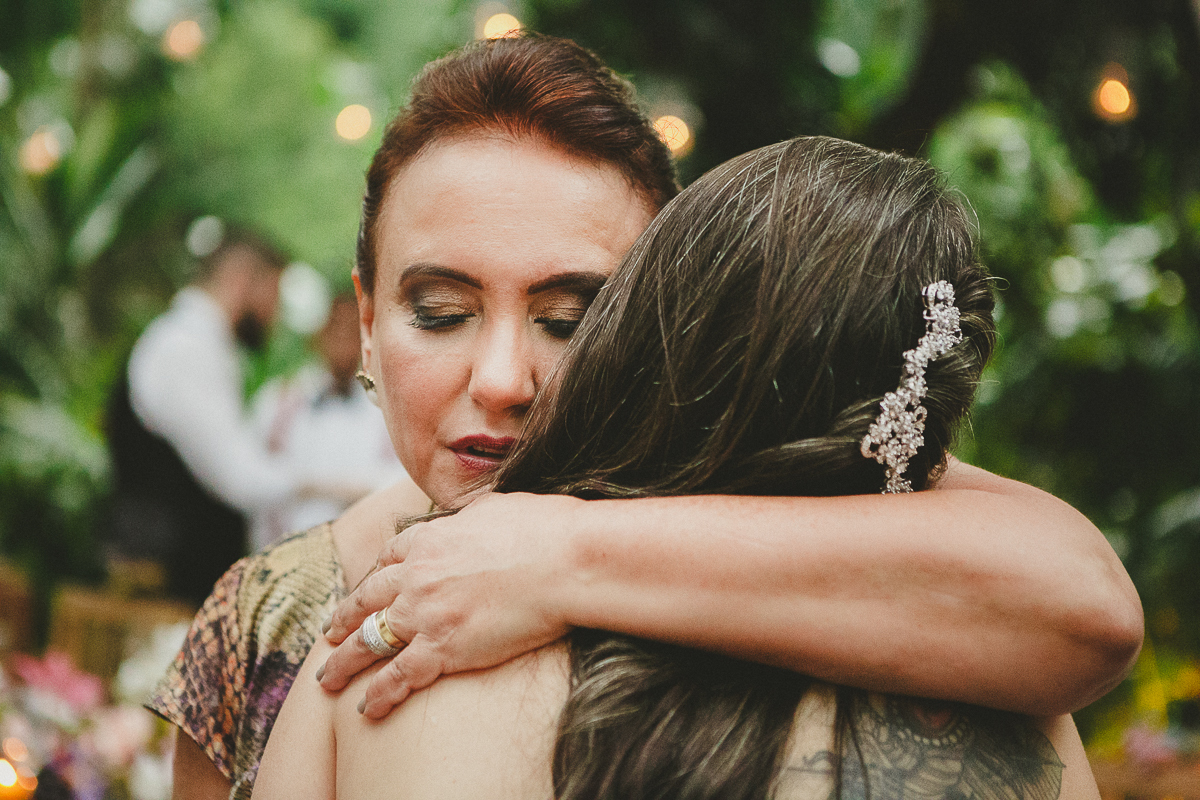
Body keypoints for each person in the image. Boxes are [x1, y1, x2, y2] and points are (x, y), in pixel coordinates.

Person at [150, 34, 1139, 800]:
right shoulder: (270, 617)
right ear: (367, 322)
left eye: (571, 317)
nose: (503, 377)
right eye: (441, 311)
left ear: (665, 329)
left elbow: (1081, 598)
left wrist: (556, 550)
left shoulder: (867, 540)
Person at [107, 227, 299, 604]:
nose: (275, 316)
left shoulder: (203, 346)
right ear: (241, 280)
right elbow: (237, 479)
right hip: (165, 590)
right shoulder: (184, 348)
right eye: (274, 295)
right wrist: (331, 481)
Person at [248, 292, 410, 551]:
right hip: (281, 554)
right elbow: (250, 476)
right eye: (335, 327)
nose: (343, 340)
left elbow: (401, 483)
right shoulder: (278, 402)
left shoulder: (387, 409)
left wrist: (320, 487)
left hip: (361, 556)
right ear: (318, 334)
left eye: (353, 331)